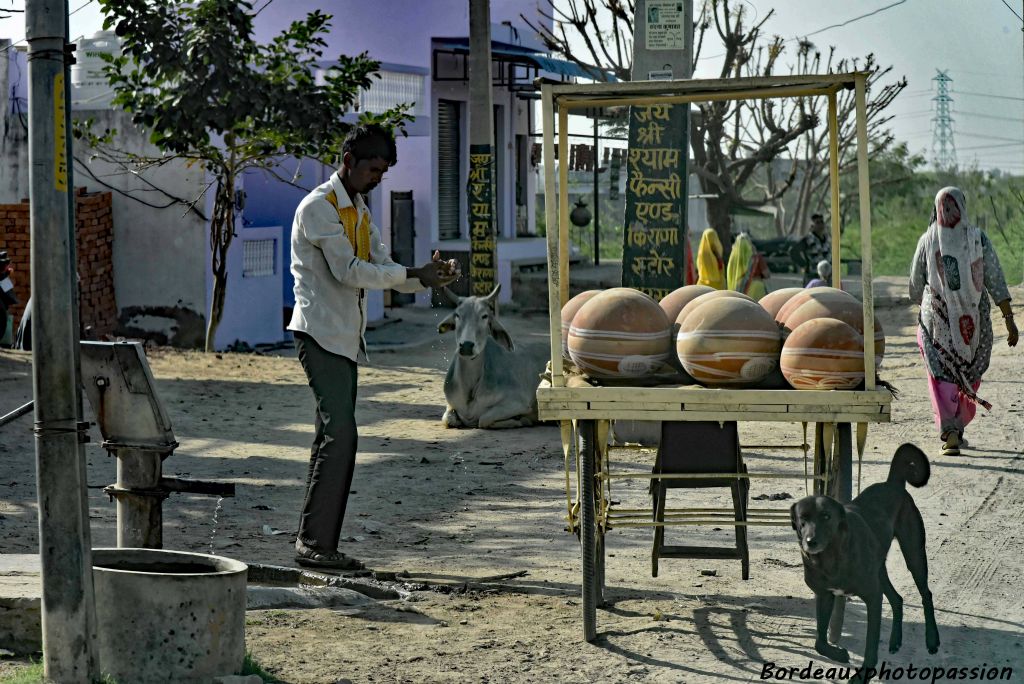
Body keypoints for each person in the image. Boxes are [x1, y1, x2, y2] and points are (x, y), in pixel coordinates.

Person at [287, 124, 460, 569]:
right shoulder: (318, 209)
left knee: (332, 436)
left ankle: (313, 540)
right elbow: (349, 271)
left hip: (343, 339)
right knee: (341, 436)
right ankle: (316, 546)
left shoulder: (359, 210)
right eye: (372, 169)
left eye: (383, 171)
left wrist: (424, 277)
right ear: (348, 162)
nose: (378, 177)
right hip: (319, 335)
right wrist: (414, 275)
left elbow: (382, 264)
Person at [910, 186, 1018, 456]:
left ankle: (950, 432)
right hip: (975, 323)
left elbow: (914, 286)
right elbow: (995, 279)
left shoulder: (927, 240)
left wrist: (932, 296)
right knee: (971, 370)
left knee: (941, 374)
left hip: (937, 320)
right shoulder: (978, 238)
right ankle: (957, 424)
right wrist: (1009, 320)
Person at [726, 232, 770, 300]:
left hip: (737, 291)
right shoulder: (756, 258)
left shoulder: (732, 260)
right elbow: (767, 275)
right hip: (756, 288)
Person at [800, 213, 831, 284]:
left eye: (822, 222)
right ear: (812, 225)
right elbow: (793, 251)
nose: (820, 225)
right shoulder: (808, 239)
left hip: (827, 275)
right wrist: (804, 264)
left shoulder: (827, 239)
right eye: (817, 223)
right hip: (812, 275)